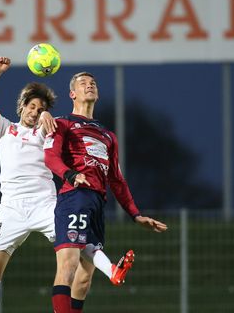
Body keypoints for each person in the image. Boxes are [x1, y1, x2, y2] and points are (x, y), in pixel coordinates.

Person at [44, 71, 168, 313]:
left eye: (93, 83)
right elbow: (50, 156)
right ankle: (111, 270)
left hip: (97, 203)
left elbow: (117, 179)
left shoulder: (108, 135)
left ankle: (111, 270)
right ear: (72, 93)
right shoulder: (63, 123)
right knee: (67, 267)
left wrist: (135, 214)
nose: (89, 85)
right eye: (83, 83)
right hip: (74, 197)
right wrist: (70, 174)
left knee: (84, 278)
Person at [0, 56, 58, 313]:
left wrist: (47, 115)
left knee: (75, 247)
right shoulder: (4, 128)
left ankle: (110, 267)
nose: (35, 111)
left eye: (40, 108)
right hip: (11, 208)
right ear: (22, 107)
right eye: (31, 106)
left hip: (44, 203)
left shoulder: (46, 129)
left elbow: (58, 132)